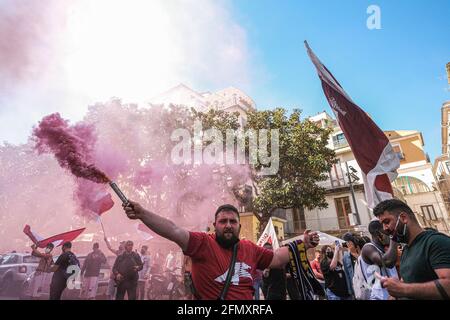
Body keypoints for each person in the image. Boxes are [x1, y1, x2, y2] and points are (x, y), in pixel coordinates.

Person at [122, 202, 320, 300]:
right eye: (223, 221)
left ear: (239, 227)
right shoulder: (202, 243)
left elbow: (277, 258)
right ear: (214, 225)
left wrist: (303, 243)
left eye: (233, 221)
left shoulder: (249, 248)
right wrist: (142, 213)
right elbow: (174, 230)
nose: (228, 225)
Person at [373, 199, 450, 300]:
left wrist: (402, 289)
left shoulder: (436, 242)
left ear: (404, 218)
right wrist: (394, 291)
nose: (385, 228)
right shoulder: (407, 250)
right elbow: (405, 282)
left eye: (387, 222)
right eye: (382, 224)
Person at [360, 220, 399, 300]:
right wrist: (394, 237)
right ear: (378, 234)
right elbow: (388, 262)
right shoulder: (368, 248)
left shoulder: (385, 249)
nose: (389, 233)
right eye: (387, 231)